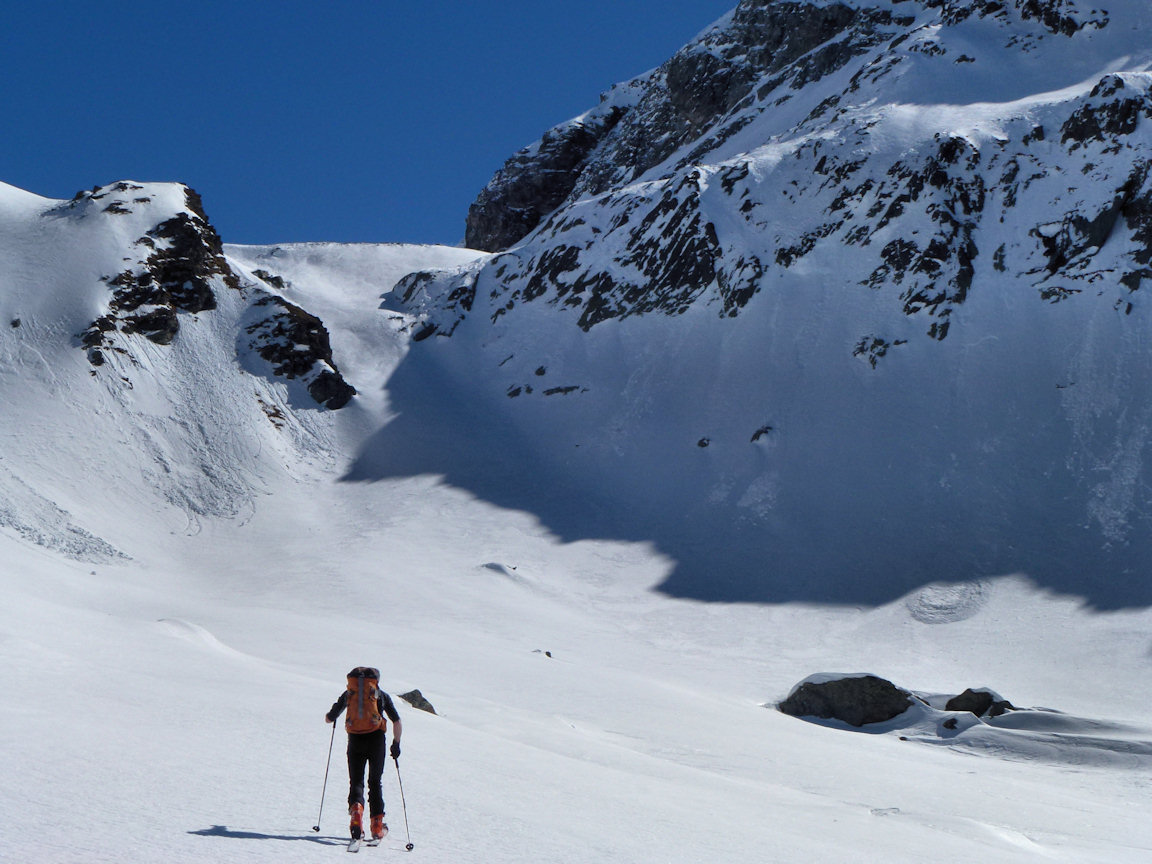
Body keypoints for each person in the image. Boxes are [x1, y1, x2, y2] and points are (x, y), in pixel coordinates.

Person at [325, 666, 403, 841]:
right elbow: (397, 721)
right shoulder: (381, 695)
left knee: (356, 781)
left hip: (355, 740)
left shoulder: (350, 694)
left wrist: (333, 714)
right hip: (376, 741)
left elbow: (329, 718)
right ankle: (377, 826)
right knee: (375, 782)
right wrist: (396, 744)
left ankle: (356, 817)